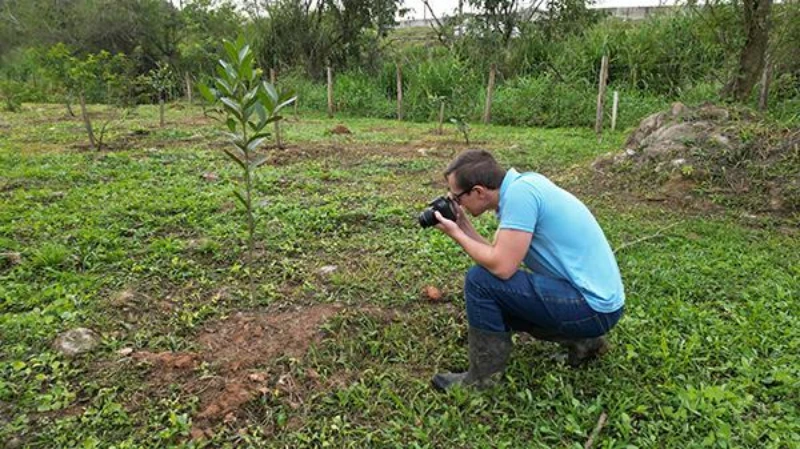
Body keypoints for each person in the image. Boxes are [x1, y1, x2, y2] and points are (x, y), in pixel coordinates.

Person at [430, 149, 625, 391]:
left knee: (480, 281)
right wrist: (464, 227)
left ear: (478, 191)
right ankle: (585, 341)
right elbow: (496, 256)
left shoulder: (521, 197)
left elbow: (501, 268)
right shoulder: (523, 187)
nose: (456, 203)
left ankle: (482, 380)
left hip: (591, 307)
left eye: (458, 198)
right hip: (598, 304)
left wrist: (457, 235)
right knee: (495, 290)